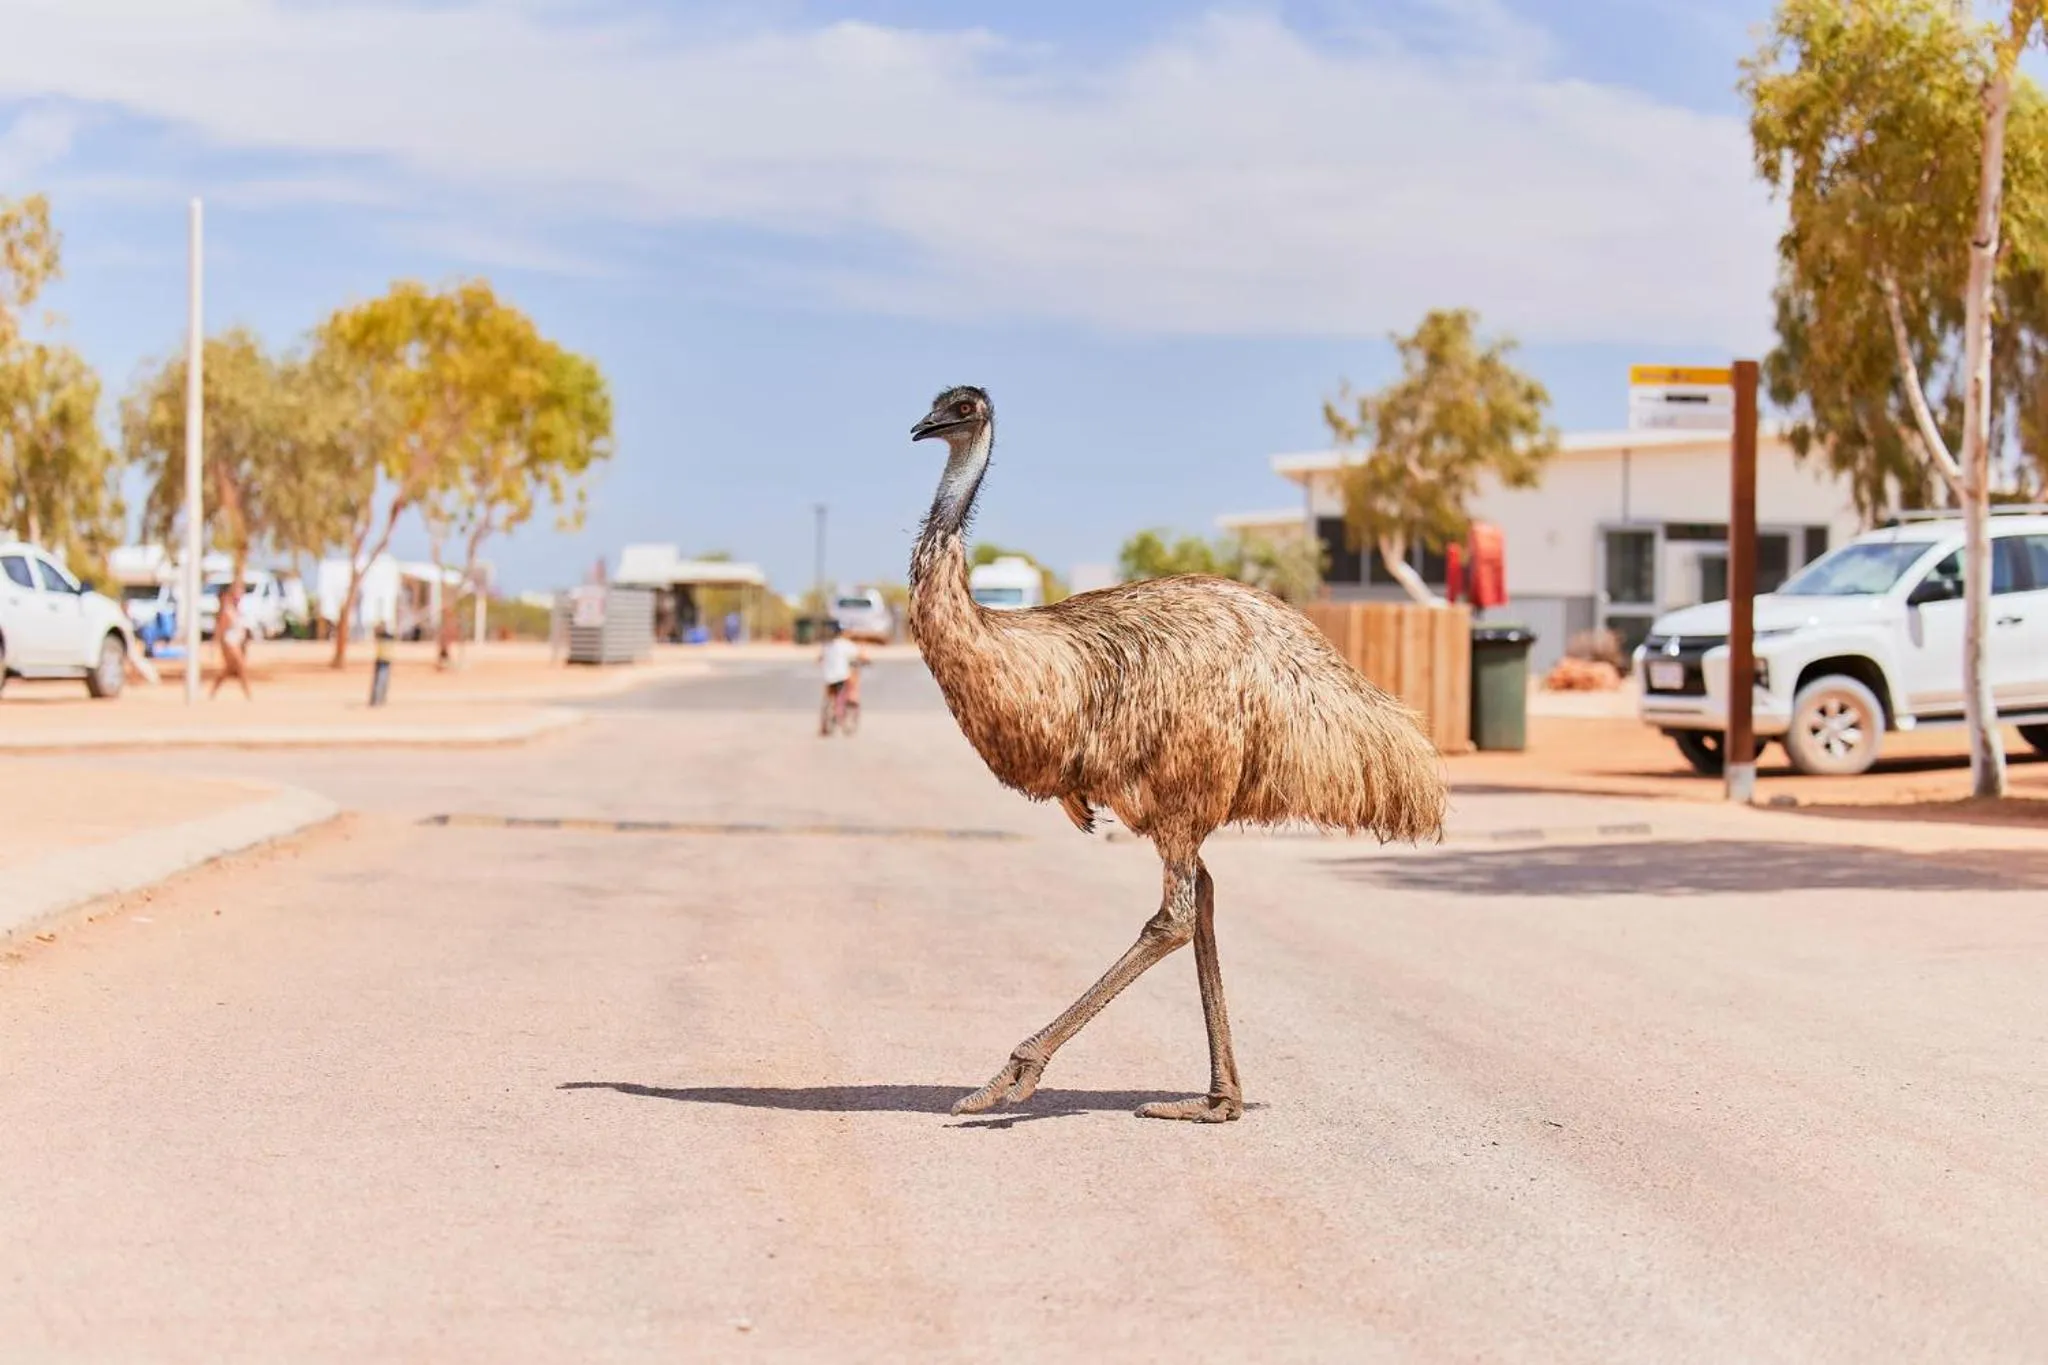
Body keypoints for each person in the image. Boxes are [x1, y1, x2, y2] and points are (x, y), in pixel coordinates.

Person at [210, 583, 253, 700]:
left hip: (237, 642)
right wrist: (217, 645)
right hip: (229, 643)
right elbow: (221, 630)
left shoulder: (236, 609)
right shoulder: (227, 611)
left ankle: (213, 691)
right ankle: (248, 694)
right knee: (241, 666)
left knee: (229, 670)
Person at [817, 623, 862, 735]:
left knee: (829, 696)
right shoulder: (846, 645)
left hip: (828, 677)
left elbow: (819, 658)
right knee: (851, 685)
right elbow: (860, 655)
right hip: (842, 676)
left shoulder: (826, 646)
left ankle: (825, 721)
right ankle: (847, 706)